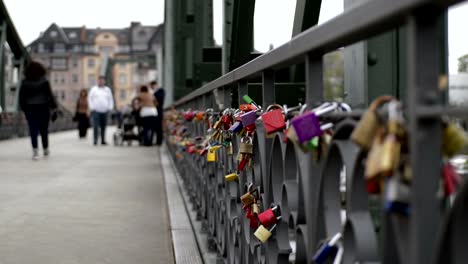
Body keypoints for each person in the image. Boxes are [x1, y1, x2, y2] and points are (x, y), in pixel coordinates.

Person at [19, 61, 58, 160]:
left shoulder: (25, 82)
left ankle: (35, 151)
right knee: (44, 130)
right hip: (44, 108)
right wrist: (54, 108)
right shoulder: (45, 81)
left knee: (33, 130)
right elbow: (50, 96)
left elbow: (21, 98)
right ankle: (45, 148)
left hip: (31, 109)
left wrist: (24, 109)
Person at [88, 76, 114, 146]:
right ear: (98, 81)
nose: (101, 82)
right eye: (100, 80)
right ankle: (95, 140)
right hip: (96, 110)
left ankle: (103, 140)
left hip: (105, 111)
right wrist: (92, 108)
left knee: (104, 126)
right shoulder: (94, 89)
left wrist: (110, 108)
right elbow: (90, 99)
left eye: (102, 80)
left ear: (104, 81)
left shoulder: (107, 90)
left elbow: (110, 99)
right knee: (95, 126)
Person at [150, 80, 165, 146]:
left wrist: (154, 93)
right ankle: (158, 141)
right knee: (156, 127)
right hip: (155, 111)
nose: (152, 88)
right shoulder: (156, 92)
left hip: (159, 110)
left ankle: (159, 141)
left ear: (155, 85)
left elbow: (160, 100)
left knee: (159, 127)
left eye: (152, 87)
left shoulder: (160, 91)